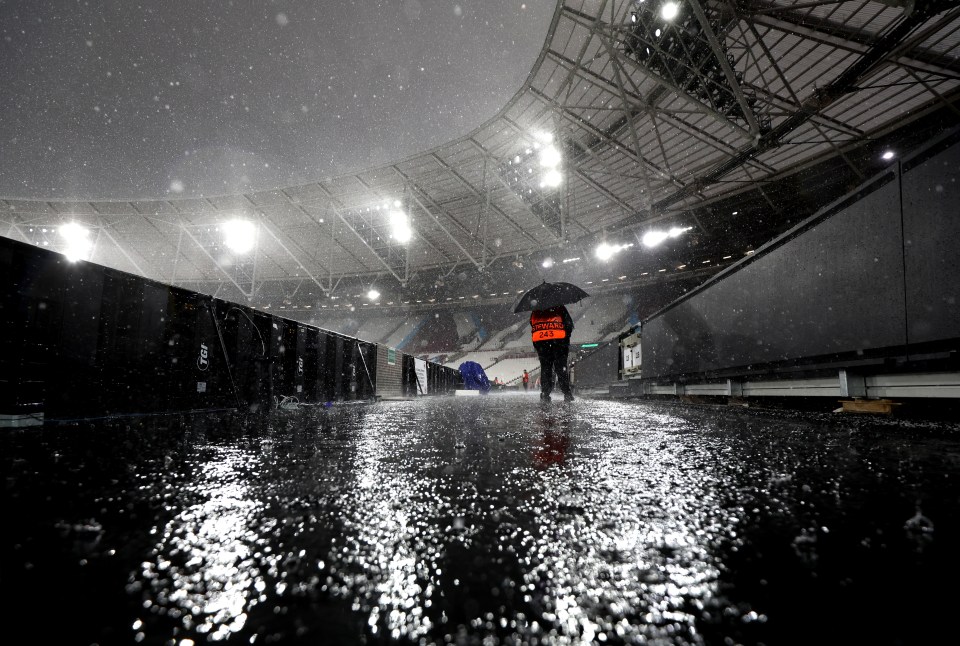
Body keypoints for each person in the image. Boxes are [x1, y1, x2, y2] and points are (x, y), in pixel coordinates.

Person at [529, 304, 574, 402]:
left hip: (541, 343)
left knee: (545, 369)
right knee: (561, 368)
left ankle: (545, 393)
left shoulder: (535, 310)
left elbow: (532, 325)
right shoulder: (559, 307)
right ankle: (567, 393)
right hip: (559, 342)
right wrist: (566, 338)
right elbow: (569, 324)